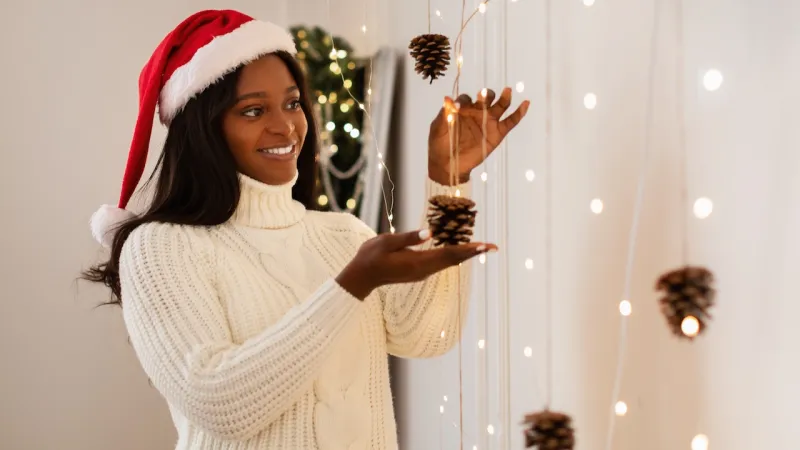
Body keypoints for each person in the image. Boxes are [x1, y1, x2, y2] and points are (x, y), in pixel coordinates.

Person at [82, 9, 529, 450]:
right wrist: (351, 284)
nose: (286, 126)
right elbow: (220, 403)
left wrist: (447, 180)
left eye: (293, 103)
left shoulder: (342, 235)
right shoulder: (159, 247)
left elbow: (431, 335)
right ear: (204, 130)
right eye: (253, 110)